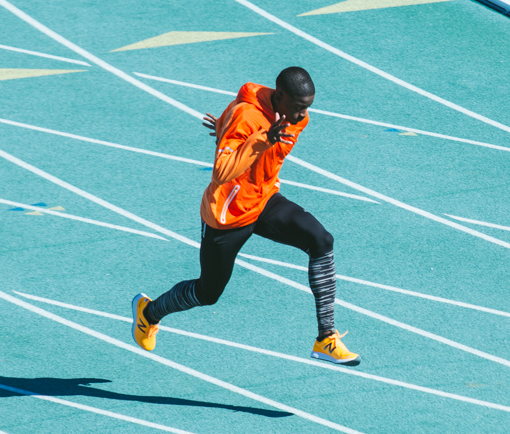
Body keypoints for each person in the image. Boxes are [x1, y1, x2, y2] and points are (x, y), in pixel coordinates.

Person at [131, 66, 359, 364]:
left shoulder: (295, 118)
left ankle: (326, 338)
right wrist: (255, 137)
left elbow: (253, 141)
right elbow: (221, 172)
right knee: (208, 292)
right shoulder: (246, 117)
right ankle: (149, 313)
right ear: (279, 97)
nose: (303, 115)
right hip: (228, 214)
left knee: (321, 240)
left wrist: (226, 129)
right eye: (298, 107)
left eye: (307, 107)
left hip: (263, 200)